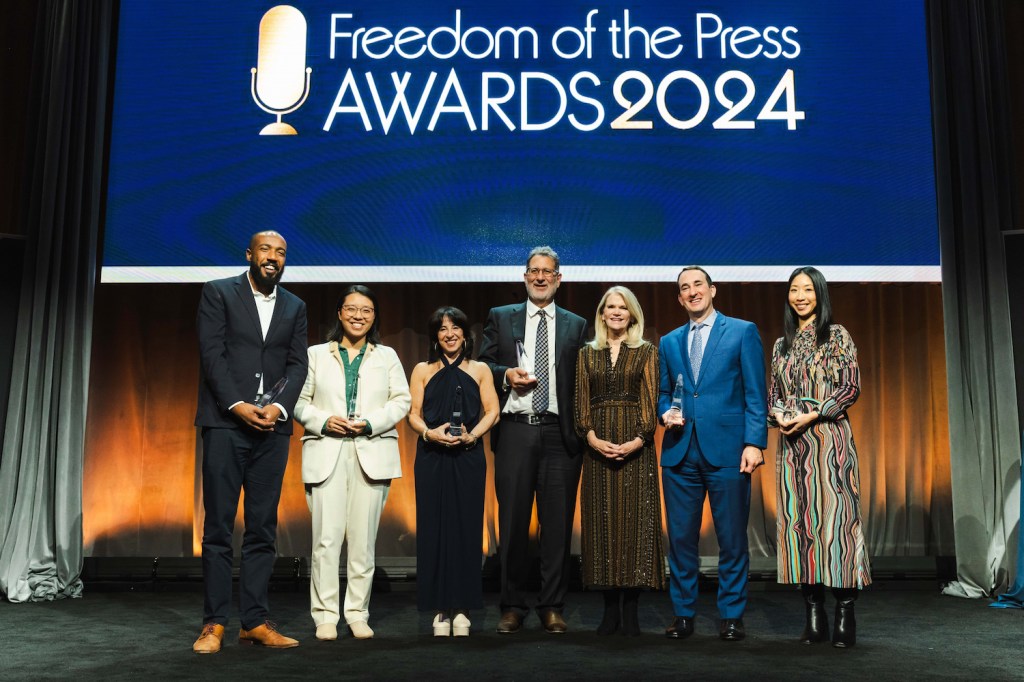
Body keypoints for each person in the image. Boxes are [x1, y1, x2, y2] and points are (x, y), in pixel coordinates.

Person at [192, 230, 308, 654]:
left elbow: (298, 365)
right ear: (249, 254)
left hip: (272, 429)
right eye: (265, 250)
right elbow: (211, 355)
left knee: (262, 527)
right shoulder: (219, 292)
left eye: (280, 252)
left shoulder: (295, 305)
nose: (273, 257)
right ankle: (214, 623)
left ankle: (254, 621)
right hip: (226, 425)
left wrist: (278, 410)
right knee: (219, 528)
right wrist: (237, 405)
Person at [478, 245, 588, 634]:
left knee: (557, 526)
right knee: (512, 524)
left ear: (559, 279)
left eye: (548, 272)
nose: (540, 278)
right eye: (534, 271)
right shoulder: (501, 317)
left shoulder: (576, 324)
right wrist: (505, 374)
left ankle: (552, 605)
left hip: (560, 435)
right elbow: (482, 366)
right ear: (524, 277)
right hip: (515, 430)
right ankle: (511, 604)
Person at [293, 285, 411, 641]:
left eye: (367, 311)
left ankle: (358, 612)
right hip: (328, 449)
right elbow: (298, 402)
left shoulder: (387, 356)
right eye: (352, 309)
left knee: (363, 542)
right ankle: (325, 615)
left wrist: (371, 422)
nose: (358, 316)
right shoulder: (315, 354)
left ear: (374, 317)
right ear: (340, 314)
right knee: (326, 540)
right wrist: (323, 420)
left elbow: (401, 401)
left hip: (370, 449)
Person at [658, 266, 767, 642]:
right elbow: (662, 392)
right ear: (679, 298)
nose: (692, 292)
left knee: (732, 539)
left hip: (728, 452)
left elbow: (756, 393)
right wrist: (663, 413)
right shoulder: (669, 341)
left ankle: (732, 616)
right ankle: (684, 614)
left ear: (713, 289)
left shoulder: (742, 331)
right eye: (684, 288)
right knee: (681, 540)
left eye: (697, 285)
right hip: (680, 453)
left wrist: (755, 442)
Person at [768, 266, 871, 648]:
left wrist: (813, 412)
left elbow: (850, 388)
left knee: (837, 525)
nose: (800, 296)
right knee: (801, 528)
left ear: (820, 294)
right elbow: (772, 395)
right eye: (794, 290)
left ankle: (845, 610)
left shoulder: (837, 336)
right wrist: (777, 413)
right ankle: (814, 614)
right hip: (793, 450)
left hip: (829, 443)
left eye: (807, 290)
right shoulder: (781, 344)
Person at [574, 286, 665, 636]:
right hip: (596, 449)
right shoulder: (586, 354)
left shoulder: (646, 351)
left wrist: (638, 439)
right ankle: (609, 609)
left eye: (622, 308)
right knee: (602, 528)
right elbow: (580, 400)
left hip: (635, 449)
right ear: (601, 314)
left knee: (634, 525)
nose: (615, 312)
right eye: (610, 307)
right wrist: (592, 437)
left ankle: (631, 610)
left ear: (632, 315)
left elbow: (650, 399)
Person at [408, 306, 500, 637]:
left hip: (469, 457)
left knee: (465, 528)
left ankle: (462, 608)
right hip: (431, 456)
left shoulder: (480, 370)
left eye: (456, 327)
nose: (450, 333)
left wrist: (473, 435)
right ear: (435, 335)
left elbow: (493, 411)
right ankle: (439, 611)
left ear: (465, 333)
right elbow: (413, 414)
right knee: (434, 530)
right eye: (443, 328)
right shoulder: (422, 369)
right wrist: (428, 433)